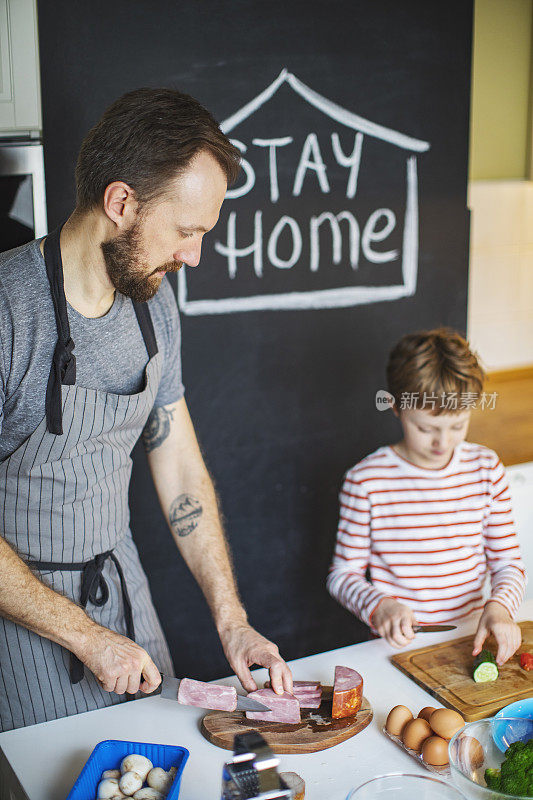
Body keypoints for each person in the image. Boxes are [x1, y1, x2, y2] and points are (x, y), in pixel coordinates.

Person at [0, 88, 293, 732]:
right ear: (121, 202)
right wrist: (86, 637)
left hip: (125, 599)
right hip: (19, 622)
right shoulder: (7, 309)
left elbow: (180, 465)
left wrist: (231, 619)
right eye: (187, 231)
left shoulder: (154, 305)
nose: (193, 256)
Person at [327, 328, 525, 666]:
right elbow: (342, 574)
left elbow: (508, 562)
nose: (442, 443)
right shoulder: (366, 481)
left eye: (457, 425)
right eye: (426, 429)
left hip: (473, 636)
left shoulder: (486, 468)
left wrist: (500, 606)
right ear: (395, 408)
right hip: (401, 649)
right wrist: (381, 605)